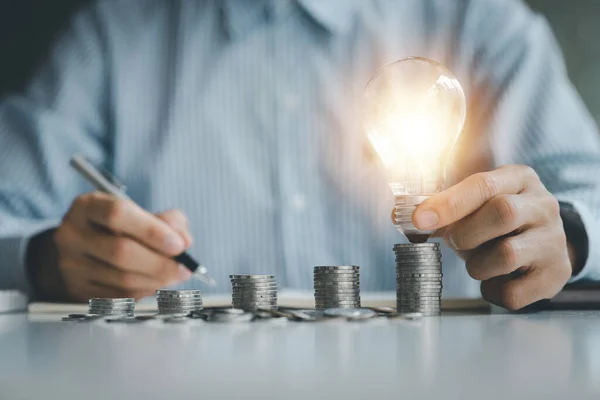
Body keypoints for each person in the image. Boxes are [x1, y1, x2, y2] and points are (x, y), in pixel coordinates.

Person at [0, 0, 598, 309]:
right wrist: (49, 259)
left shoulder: (478, 20)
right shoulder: (112, 38)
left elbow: (590, 196)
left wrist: (567, 234)